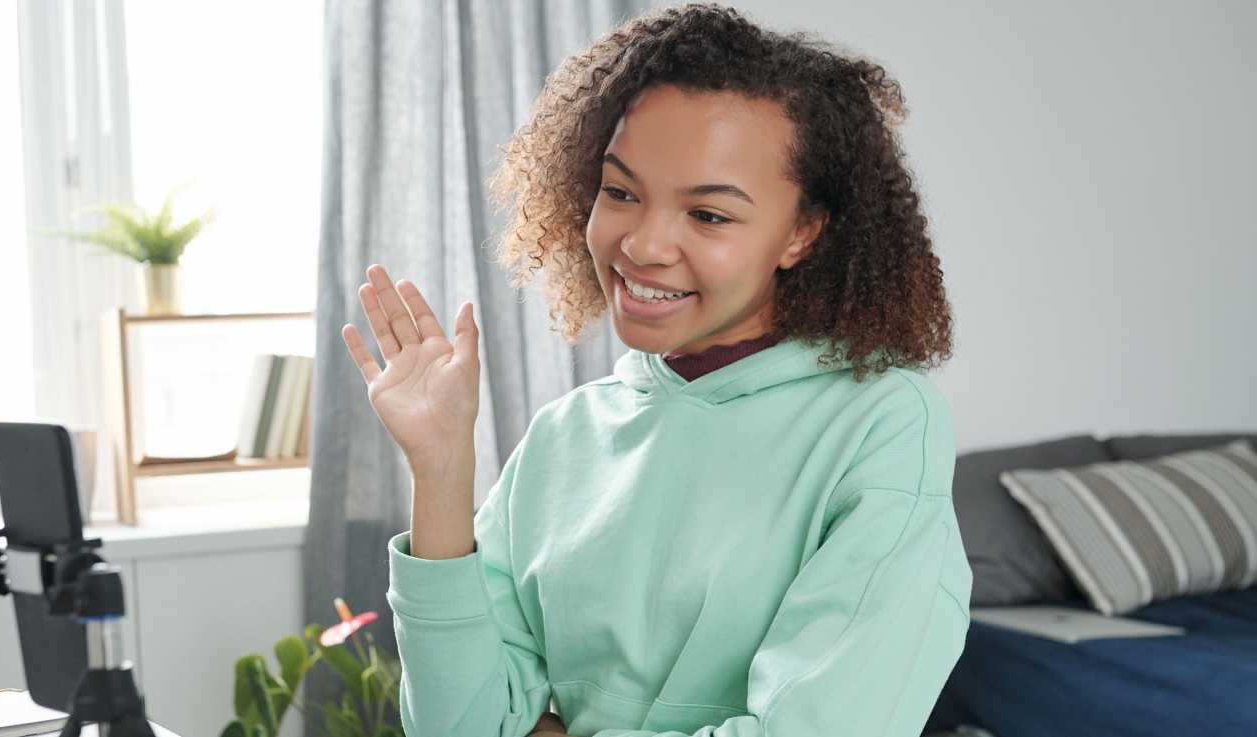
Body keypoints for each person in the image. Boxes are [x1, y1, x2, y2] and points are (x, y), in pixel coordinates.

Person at [338, 4, 970, 736]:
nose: (641, 244)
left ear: (801, 231)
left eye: (709, 215)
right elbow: (459, 726)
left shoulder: (882, 424)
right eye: (621, 192)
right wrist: (442, 471)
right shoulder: (564, 435)